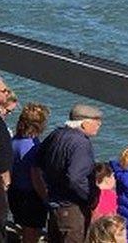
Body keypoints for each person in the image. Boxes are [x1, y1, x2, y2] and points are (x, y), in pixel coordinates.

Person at [36, 103, 104, 243]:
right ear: (84, 124)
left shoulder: (55, 135)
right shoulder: (81, 144)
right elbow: (75, 178)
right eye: (96, 121)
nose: (99, 125)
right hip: (72, 208)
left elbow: (38, 162)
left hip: (55, 204)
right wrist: (91, 197)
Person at [10, 103, 51, 243]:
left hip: (15, 191)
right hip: (30, 195)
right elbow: (36, 177)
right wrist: (45, 197)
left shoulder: (14, 141)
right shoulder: (33, 147)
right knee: (31, 232)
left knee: (24, 229)